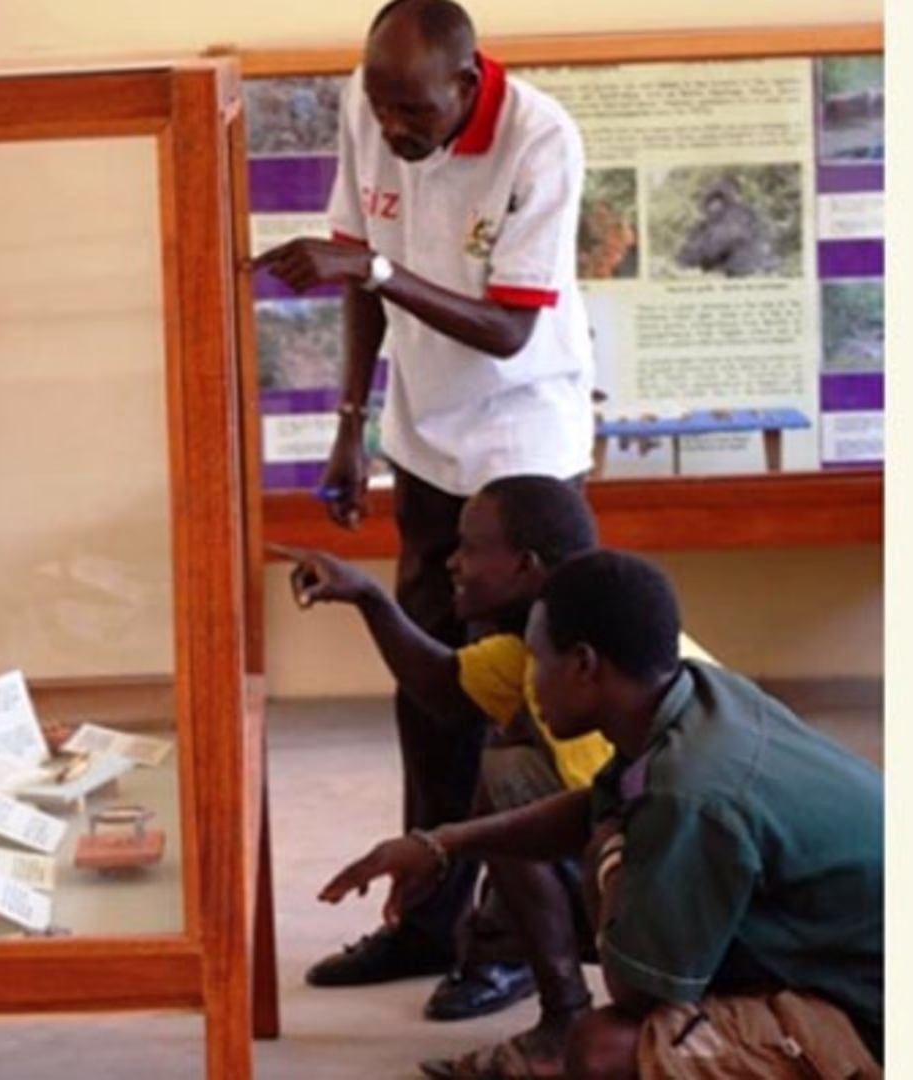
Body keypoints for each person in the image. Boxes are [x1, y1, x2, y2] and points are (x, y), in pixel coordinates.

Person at [253, 0, 596, 1011]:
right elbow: (357, 273)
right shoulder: (375, 109)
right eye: (382, 104)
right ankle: (428, 921)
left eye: (414, 111)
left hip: (523, 442)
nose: (395, 129)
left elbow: (505, 331)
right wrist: (351, 422)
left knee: (526, 709)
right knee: (428, 687)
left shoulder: (540, 139)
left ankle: (507, 943)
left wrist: (379, 266)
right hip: (426, 441)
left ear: (468, 79)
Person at [320, 551, 883, 1078]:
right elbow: (597, 803)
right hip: (849, 956)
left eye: (538, 660)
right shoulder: (697, 696)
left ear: (585, 664)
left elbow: (639, 993)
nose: (531, 681)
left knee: (603, 1048)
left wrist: (610, 860)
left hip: (874, 1016)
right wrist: (442, 843)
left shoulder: (689, 793)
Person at [277, 474, 608, 1071]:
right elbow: (443, 686)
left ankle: (569, 1019)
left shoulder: (590, 658)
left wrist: (448, 848)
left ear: (525, 565)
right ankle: (537, 981)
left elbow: (626, 816)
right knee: (508, 773)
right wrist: (370, 598)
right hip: (627, 856)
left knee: (510, 784)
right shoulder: (534, 646)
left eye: (470, 548)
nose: (453, 563)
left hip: (666, 873)